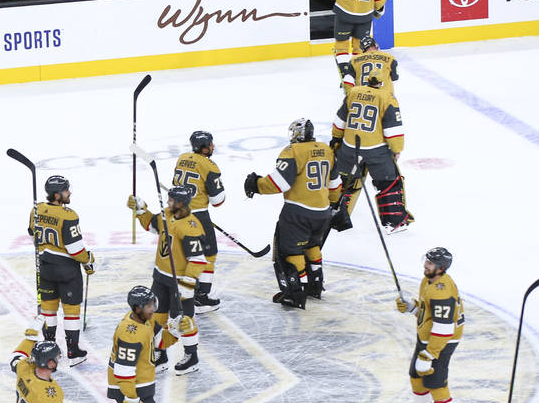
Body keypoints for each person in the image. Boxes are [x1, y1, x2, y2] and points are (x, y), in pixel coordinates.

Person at [244, 119, 340, 308]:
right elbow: (334, 186)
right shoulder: (327, 151)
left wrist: (256, 185)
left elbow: (279, 183)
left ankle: (297, 293)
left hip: (297, 212)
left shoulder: (293, 151)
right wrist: (333, 204)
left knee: (290, 251)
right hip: (322, 212)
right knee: (312, 246)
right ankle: (315, 285)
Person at [128, 186, 208, 374]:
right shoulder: (167, 214)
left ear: (181, 203)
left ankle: (192, 356)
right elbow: (151, 224)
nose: (168, 202)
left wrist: (188, 283)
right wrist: (141, 210)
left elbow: (197, 259)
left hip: (179, 282)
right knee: (156, 316)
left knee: (183, 320)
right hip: (160, 277)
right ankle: (160, 354)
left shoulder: (191, 227)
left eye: (171, 200)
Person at [399, 247, 464, 403]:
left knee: (436, 385)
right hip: (428, 340)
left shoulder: (441, 291)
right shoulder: (428, 281)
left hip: (441, 343)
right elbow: (428, 314)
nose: (425, 265)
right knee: (417, 379)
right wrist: (412, 308)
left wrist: (428, 355)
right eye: (426, 261)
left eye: (430, 263)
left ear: (441, 268)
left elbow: (444, 327)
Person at [29, 175, 95, 365]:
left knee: (48, 311)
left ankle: (48, 350)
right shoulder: (68, 215)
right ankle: (73, 352)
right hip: (67, 271)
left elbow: (32, 233)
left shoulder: (36, 209)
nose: (69, 192)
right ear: (57, 195)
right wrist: (88, 260)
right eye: (66, 190)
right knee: (71, 312)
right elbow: (75, 249)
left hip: (45, 269)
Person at [331, 75, 410, 232]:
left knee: (343, 182)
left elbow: (339, 121)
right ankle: (393, 222)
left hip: (349, 148)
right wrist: (396, 149)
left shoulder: (353, 92)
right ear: (381, 83)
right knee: (389, 184)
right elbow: (393, 129)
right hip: (376, 151)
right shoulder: (387, 98)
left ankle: (333, 214)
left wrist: (336, 139)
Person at [172, 131, 226, 312]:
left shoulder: (181, 158)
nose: (213, 146)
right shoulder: (209, 165)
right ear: (204, 146)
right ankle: (201, 297)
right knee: (208, 256)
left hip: (177, 214)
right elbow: (218, 200)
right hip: (198, 217)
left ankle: (181, 293)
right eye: (210, 143)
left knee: (184, 255)